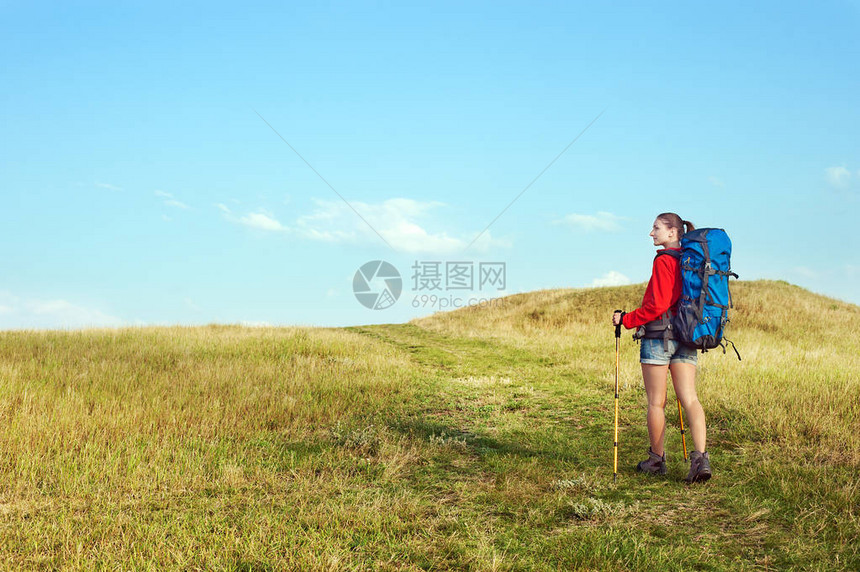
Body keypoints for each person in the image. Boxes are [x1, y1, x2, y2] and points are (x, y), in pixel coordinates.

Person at [611, 213, 711, 483]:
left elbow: (656, 305)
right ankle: (701, 458)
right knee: (690, 399)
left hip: (658, 338)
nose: (651, 233)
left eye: (656, 228)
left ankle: (656, 460)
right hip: (687, 336)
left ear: (672, 233)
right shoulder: (692, 262)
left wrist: (627, 319)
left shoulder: (664, 261)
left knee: (657, 402)